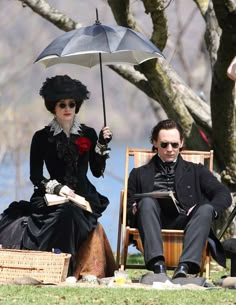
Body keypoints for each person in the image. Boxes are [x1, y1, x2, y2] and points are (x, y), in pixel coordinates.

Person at [0, 75, 112, 275]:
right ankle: (58, 264)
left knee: (70, 211)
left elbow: (96, 171)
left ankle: (65, 265)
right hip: (52, 197)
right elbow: (35, 176)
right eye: (62, 104)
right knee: (65, 212)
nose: (68, 108)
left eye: (71, 104)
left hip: (83, 197)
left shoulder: (89, 134)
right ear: (53, 107)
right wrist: (59, 189)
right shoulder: (41, 137)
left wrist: (102, 145)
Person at [127, 119, 232, 278]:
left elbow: (223, 194)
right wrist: (134, 208)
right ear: (155, 143)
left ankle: (184, 267)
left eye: (174, 145)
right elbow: (128, 206)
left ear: (181, 143)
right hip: (152, 220)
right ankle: (158, 265)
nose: (170, 149)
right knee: (147, 202)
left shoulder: (197, 171)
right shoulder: (138, 173)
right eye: (164, 144)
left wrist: (211, 211)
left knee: (205, 208)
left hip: (188, 221)